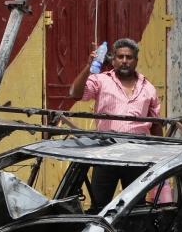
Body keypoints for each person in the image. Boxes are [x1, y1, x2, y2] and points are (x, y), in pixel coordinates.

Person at [69, 38, 164, 210]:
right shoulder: (100, 80)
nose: (125, 61)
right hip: (106, 153)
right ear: (113, 60)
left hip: (138, 156)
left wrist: (160, 157)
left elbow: (156, 124)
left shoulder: (148, 88)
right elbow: (75, 93)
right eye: (120, 57)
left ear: (136, 60)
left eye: (129, 57)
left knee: (135, 208)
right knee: (99, 206)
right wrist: (88, 67)